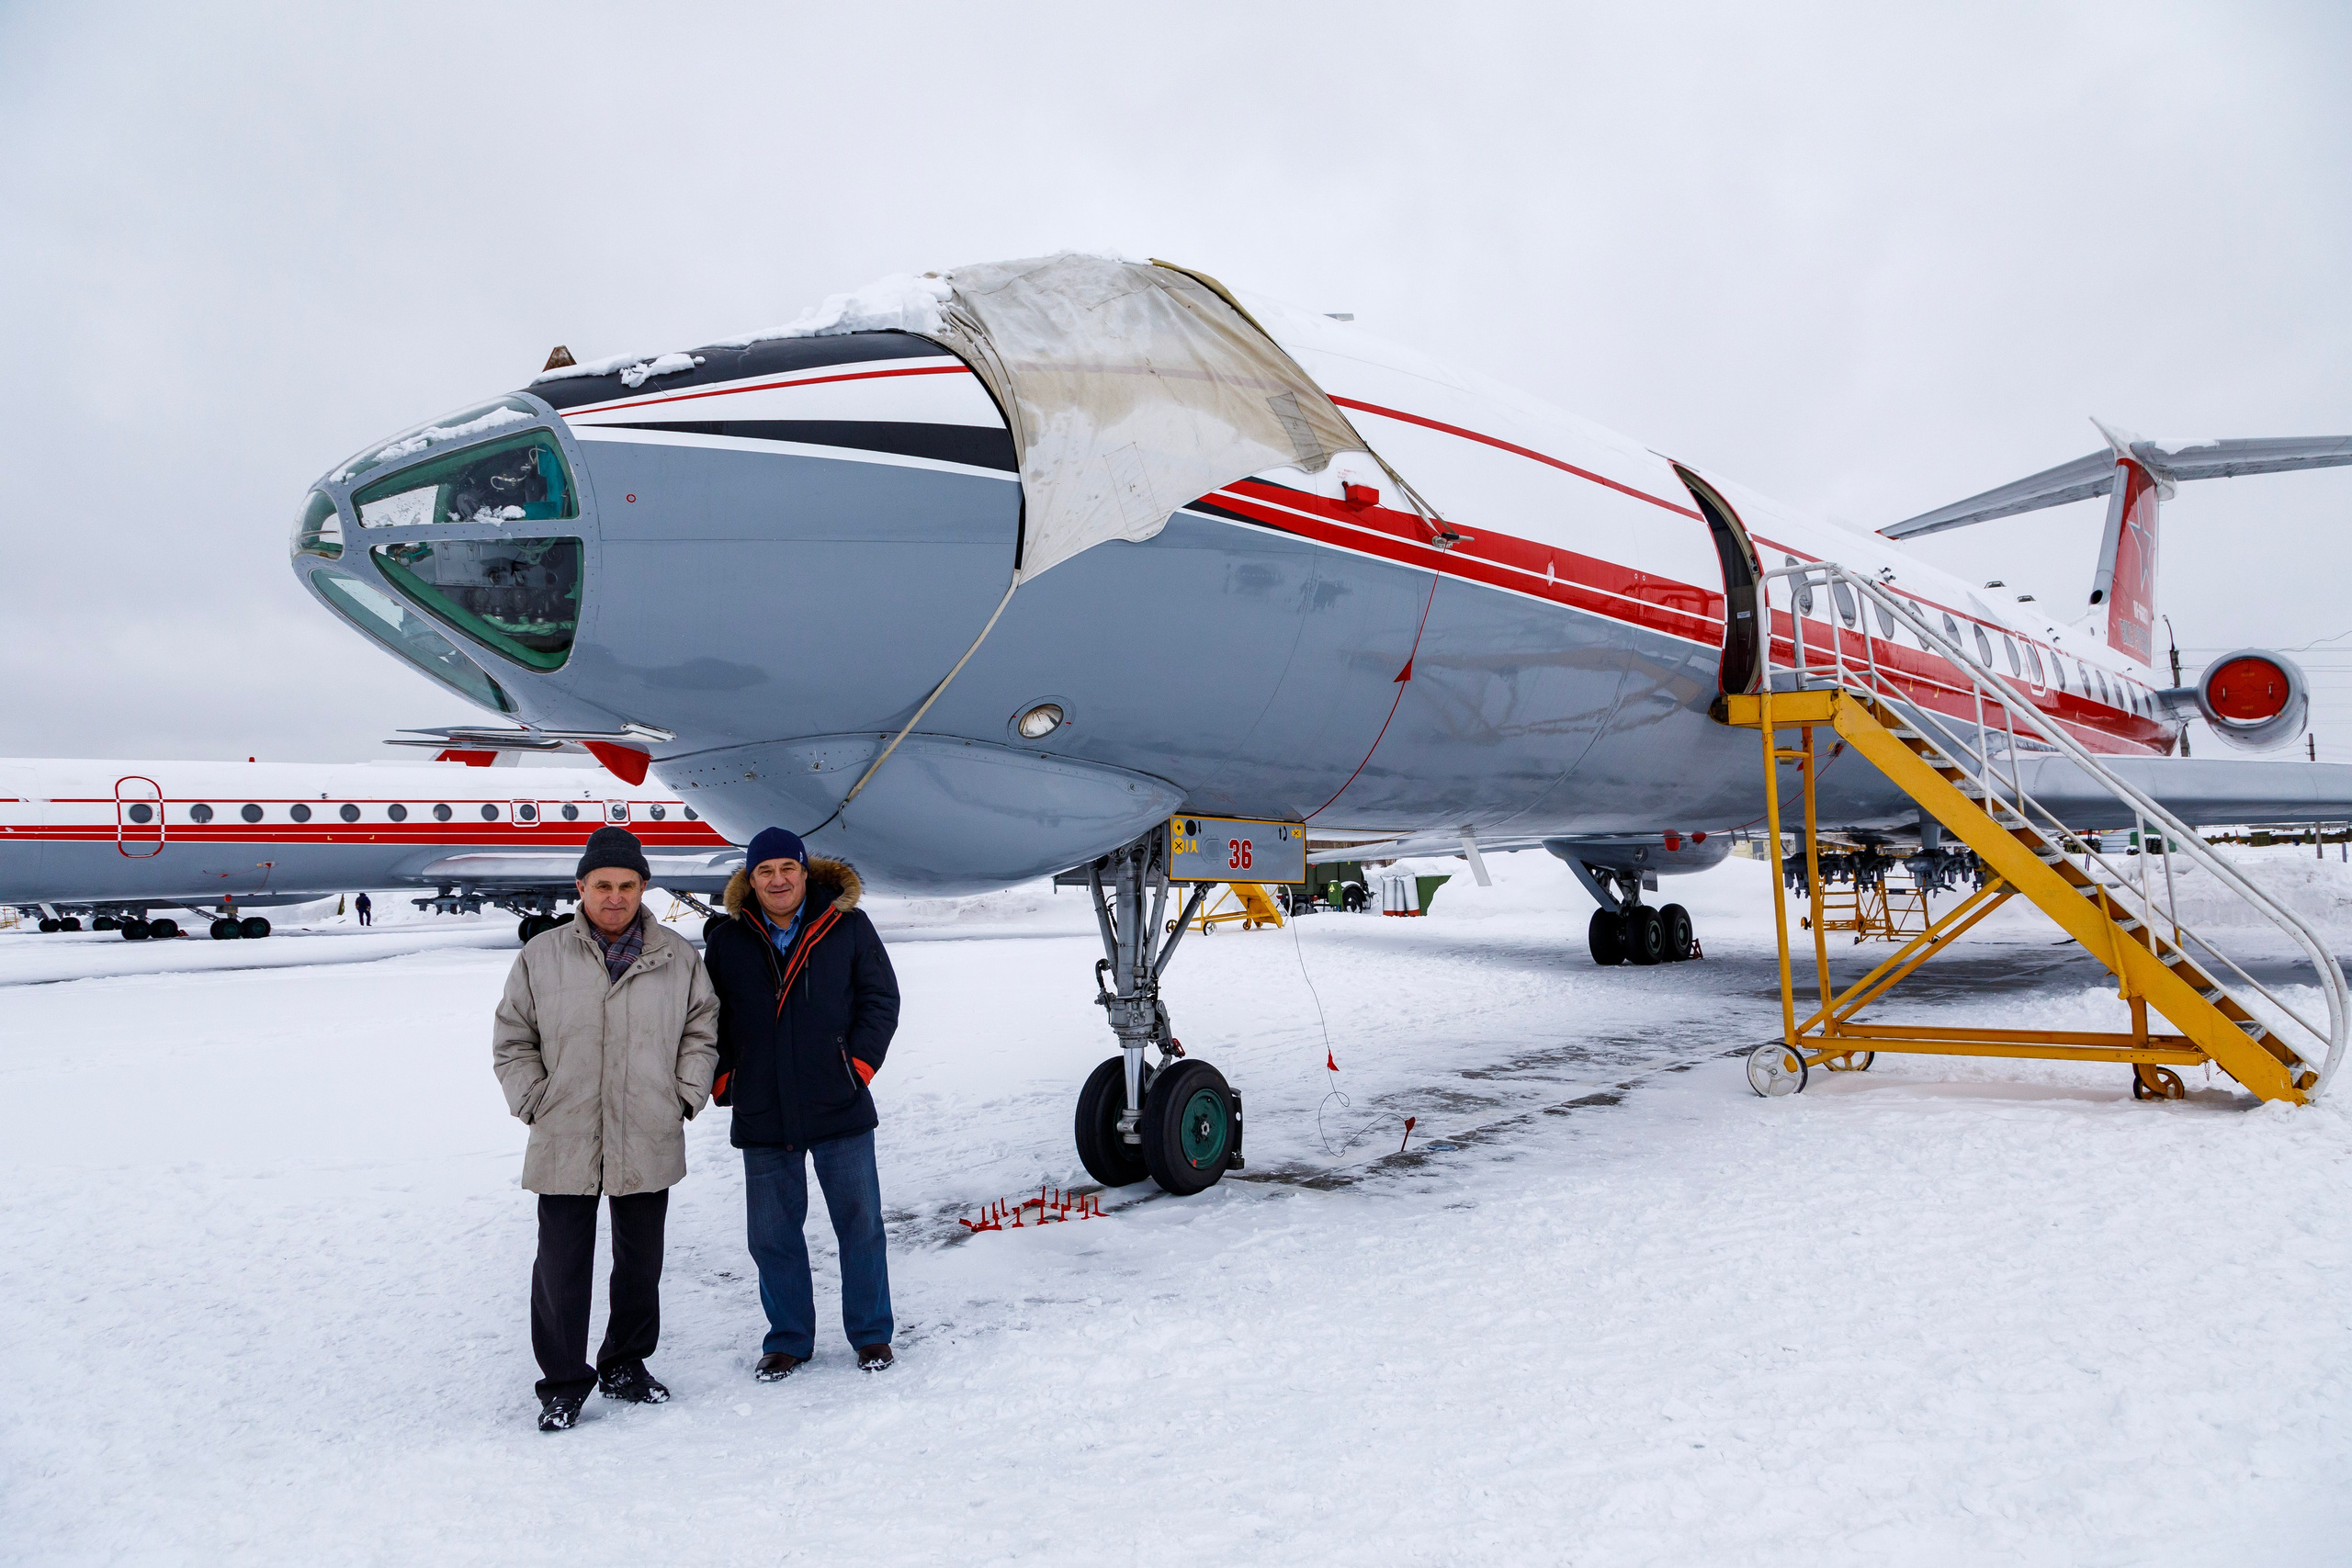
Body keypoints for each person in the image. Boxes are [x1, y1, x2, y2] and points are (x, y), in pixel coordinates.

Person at [492, 826, 718, 1431]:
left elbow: (702, 1030)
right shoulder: (542, 955)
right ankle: (562, 1381)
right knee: (562, 1263)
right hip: (565, 1129)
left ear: (642, 887)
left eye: (626, 885)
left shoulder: (676, 954)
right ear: (581, 887)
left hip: (647, 1126)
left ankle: (625, 1364)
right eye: (602, 885)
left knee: (640, 1261)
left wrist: (683, 1095)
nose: (614, 896)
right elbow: (512, 1037)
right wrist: (534, 1100)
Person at [704, 826, 900, 1381]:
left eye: (786, 868)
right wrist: (726, 1079)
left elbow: (881, 999)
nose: (777, 880)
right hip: (763, 1107)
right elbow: (705, 1017)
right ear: (751, 879)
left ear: (803, 871)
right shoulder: (728, 940)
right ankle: (788, 1338)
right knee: (771, 1234)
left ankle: (871, 1334)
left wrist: (856, 1066)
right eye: (764, 871)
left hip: (838, 1101)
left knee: (860, 1224)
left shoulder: (848, 927)